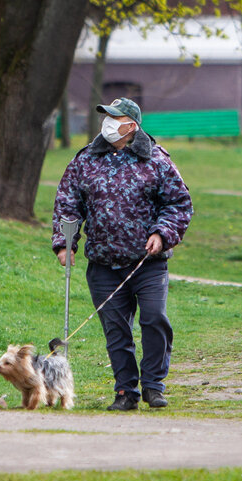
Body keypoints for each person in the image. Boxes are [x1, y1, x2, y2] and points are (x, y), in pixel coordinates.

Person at [52, 97, 193, 411]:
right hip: (102, 263)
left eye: (115, 118)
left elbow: (179, 205)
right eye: (106, 116)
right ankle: (125, 391)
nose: (108, 123)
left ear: (132, 124)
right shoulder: (86, 159)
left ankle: (153, 387)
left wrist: (162, 233)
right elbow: (67, 203)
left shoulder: (156, 159)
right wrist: (64, 244)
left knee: (155, 319)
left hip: (148, 263)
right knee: (116, 331)